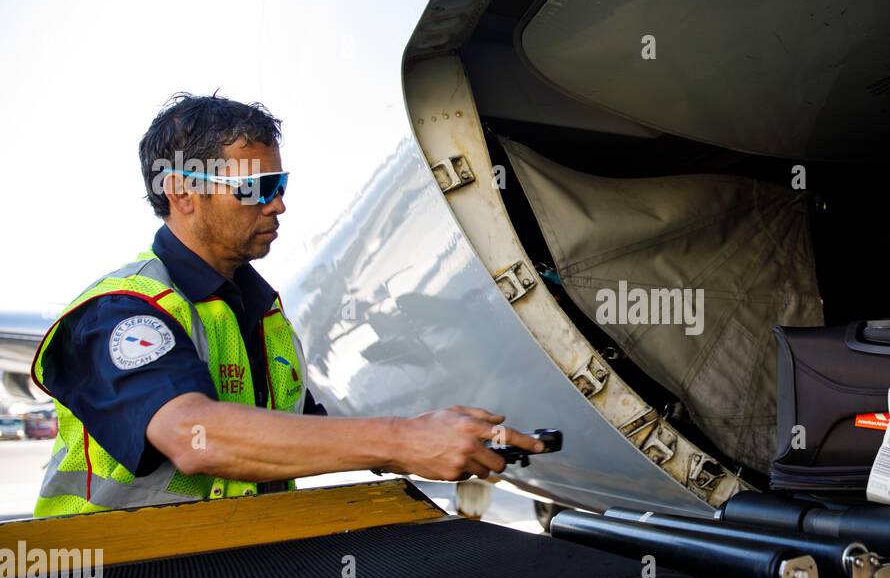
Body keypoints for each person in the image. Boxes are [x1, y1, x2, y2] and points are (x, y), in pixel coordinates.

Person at [30, 92, 542, 516]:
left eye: (281, 184)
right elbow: (191, 435)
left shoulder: (261, 312)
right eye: (257, 187)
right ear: (182, 192)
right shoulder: (121, 310)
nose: (279, 204)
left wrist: (444, 435)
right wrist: (402, 440)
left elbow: (310, 433)